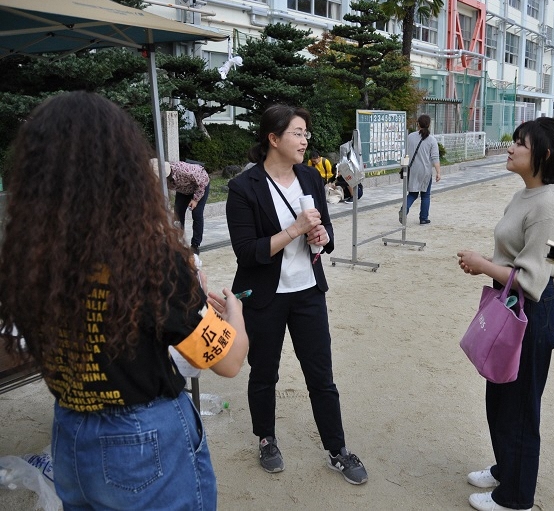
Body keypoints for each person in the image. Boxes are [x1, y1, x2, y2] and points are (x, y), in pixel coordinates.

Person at [0, 91, 249, 510]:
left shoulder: (27, 259)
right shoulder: (149, 258)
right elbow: (228, 361)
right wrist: (233, 314)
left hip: (70, 434)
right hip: (142, 440)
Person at [226, 104, 368, 485]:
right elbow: (247, 252)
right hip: (265, 295)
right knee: (264, 372)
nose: (305, 140)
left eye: (306, 133)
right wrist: (295, 229)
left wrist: (321, 236)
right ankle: (266, 439)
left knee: (321, 374)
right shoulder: (243, 187)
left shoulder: (309, 177)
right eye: (297, 133)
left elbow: (326, 232)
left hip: (308, 291)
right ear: (273, 139)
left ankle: (337, 449)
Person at [456, 117, 554, 511]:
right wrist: (488, 266)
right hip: (510, 305)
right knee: (500, 396)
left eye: (520, 143)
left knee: (521, 407)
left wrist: (482, 265)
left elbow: (532, 278)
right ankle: (507, 469)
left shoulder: (548, 204)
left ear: (544, 154)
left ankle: (516, 497)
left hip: (531, 312)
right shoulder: (525, 194)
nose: (510, 147)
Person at [151, 158, 210, 255]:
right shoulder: (161, 181)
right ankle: (178, 242)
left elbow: (202, 181)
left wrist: (195, 199)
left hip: (200, 186)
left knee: (197, 214)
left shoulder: (184, 170)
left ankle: (195, 245)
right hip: (183, 190)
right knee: (178, 215)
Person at [402, 114, 441, 224]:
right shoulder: (432, 140)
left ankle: (404, 210)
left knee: (412, 194)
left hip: (412, 170)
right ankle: (423, 218)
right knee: (425, 195)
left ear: (418, 124)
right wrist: (438, 172)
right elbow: (435, 158)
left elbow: (406, 153)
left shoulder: (410, 137)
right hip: (426, 171)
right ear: (429, 125)